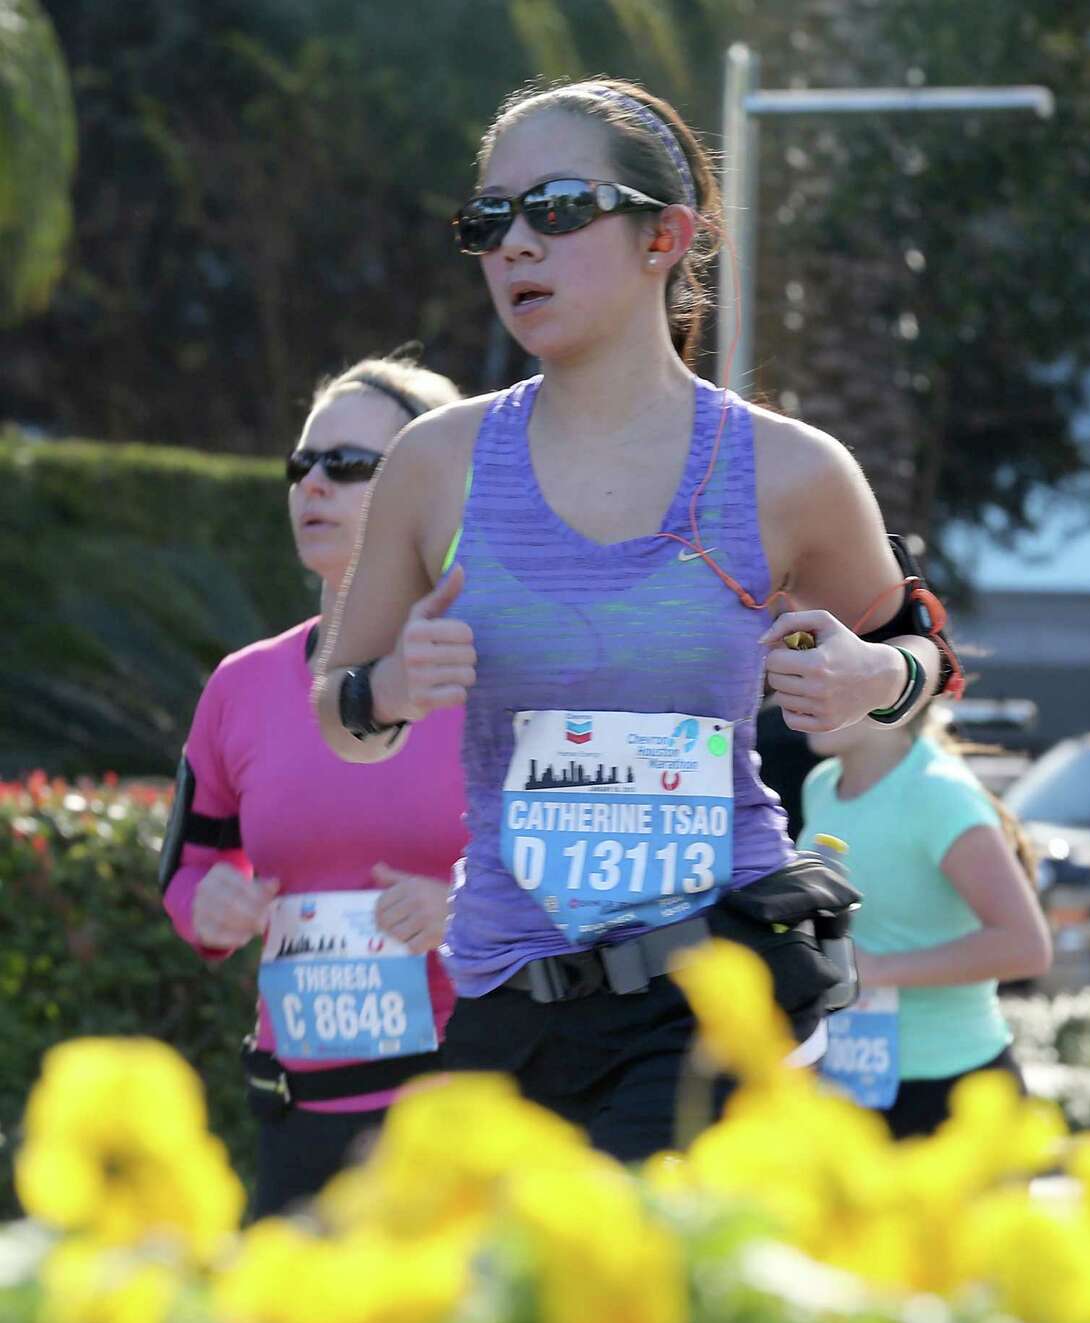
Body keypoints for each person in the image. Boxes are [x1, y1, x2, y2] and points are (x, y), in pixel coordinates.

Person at [314, 78, 956, 1162]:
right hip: (509, 991)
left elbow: (923, 645)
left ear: (667, 235)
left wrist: (873, 682)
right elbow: (341, 713)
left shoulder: (788, 470)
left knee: (629, 1281)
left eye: (556, 210)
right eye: (488, 221)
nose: (514, 246)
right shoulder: (436, 465)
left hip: (713, 982)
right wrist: (393, 688)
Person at [162, 351, 467, 1216]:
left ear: (429, 488)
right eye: (303, 464)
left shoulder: (494, 671)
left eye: (349, 466)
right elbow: (188, 866)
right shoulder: (243, 685)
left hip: (461, 1120)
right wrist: (208, 908)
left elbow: (583, 880)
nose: (314, 486)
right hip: (296, 1125)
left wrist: (469, 910)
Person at [798, 705, 1052, 1137]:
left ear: (892, 689)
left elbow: (1026, 946)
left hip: (956, 1098)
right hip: (850, 1092)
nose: (807, 692)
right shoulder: (821, 785)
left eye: (831, 668)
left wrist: (874, 970)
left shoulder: (939, 793)